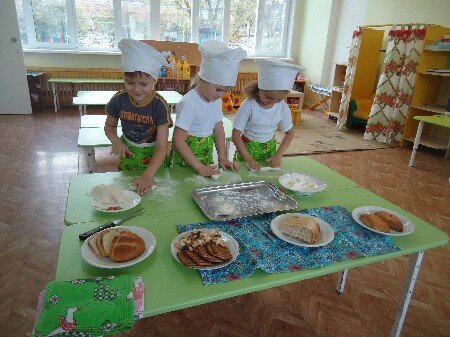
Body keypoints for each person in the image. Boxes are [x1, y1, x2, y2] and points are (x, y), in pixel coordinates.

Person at [104, 39, 172, 195]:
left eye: (143, 84)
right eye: (129, 82)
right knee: (128, 193)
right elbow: (109, 126)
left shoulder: (160, 106)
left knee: (155, 196)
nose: (136, 89)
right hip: (128, 153)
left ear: (155, 81)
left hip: (154, 158)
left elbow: (162, 147)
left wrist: (148, 175)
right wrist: (115, 141)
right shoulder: (118, 100)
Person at [171, 40, 247, 177]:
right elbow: (178, 140)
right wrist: (199, 167)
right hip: (185, 164)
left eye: (226, 91)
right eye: (218, 89)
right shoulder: (189, 103)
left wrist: (223, 158)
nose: (221, 95)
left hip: (205, 161)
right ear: (203, 79)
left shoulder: (214, 99)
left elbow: (218, 128)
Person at [232, 58, 304, 171]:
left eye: (279, 99)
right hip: (246, 150)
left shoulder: (282, 107)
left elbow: (289, 133)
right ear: (260, 89)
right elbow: (236, 135)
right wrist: (248, 159)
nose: (272, 102)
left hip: (269, 149)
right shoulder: (248, 105)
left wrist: (278, 155)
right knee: (245, 177)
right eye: (268, 97)